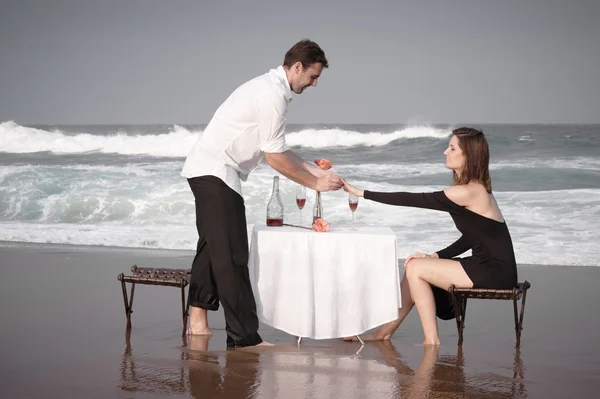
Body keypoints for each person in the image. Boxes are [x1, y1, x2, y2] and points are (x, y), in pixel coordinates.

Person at [181, 39, 344, 348]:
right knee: (232, 256)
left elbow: (279, 148)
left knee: (212, 249)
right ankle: (244, 338)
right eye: (313, 76)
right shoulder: (272, 96)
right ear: (297, 67)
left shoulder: (272, 89)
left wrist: (315, 170)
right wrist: (315, 184)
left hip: (208, 170)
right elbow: (275, 158)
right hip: (215, 172)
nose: (315, 84)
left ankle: (198, 322)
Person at [343, 127, 518, 345]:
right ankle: (383, 333)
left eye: (452, 148)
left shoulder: (466, 192)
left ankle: (431, 341)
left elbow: (414, 199)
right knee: (415, 264)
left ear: (468, 156)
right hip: (488, 266)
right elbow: (473, 238)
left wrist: (361, 193)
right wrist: (435, 255)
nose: (446, 152)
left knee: (415, 267)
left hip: (495, 272)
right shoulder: (476, 189)